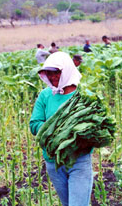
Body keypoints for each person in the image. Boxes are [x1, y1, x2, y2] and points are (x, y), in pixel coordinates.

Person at [30, 51, 93, 206]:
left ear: (66, 71)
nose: (52, 78)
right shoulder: (45, 96)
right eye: (48, 74)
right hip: (53, 162)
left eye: (56, 73)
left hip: (79, 161)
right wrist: (55, 128)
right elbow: (34, 124)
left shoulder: (83, 96)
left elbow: (94, 127)